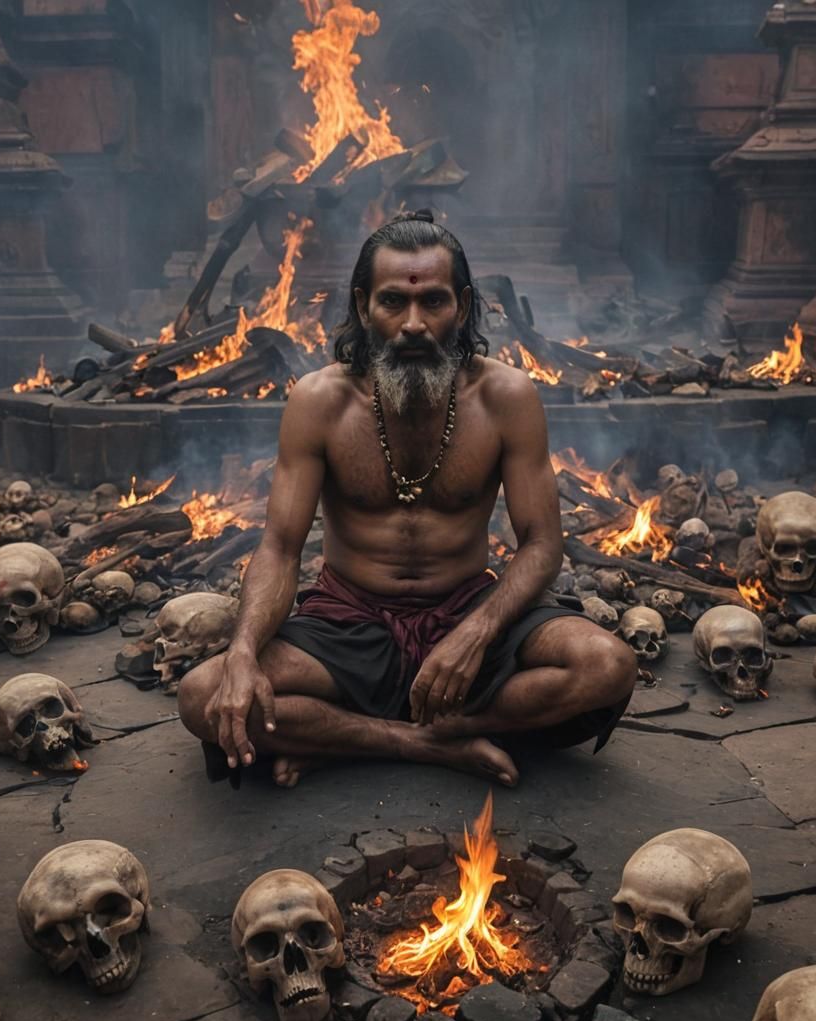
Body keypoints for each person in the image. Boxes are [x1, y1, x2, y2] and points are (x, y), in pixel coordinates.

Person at [178, 211, 637, 788]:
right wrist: (244, 652)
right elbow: (280, 546)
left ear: (463, 307)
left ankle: (342, 737)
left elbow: (543, 544)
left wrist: (476, 633)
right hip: (348, 623)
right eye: (393, 302)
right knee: (203, 695)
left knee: (608, 666)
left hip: (466, 605)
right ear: (364, 305)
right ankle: (423, 741)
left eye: (434, 303)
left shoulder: (506, 397)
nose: (414, 324)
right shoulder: (319, 401)